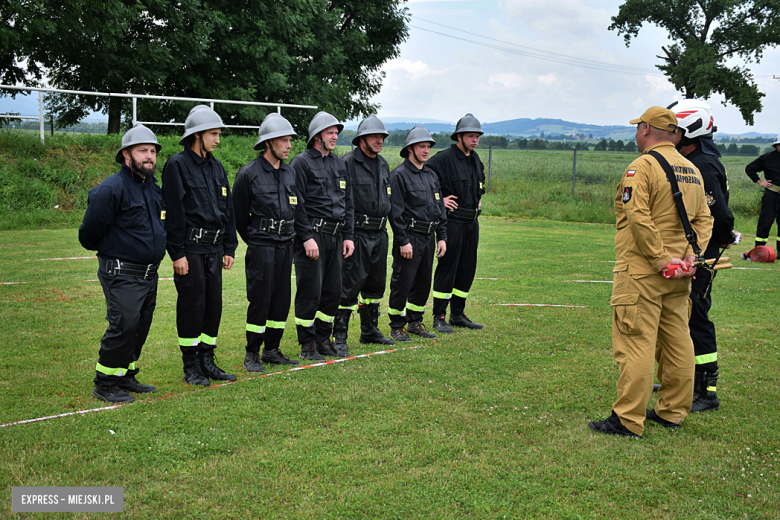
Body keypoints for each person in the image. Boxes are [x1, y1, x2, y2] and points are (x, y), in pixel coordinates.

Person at [588, 107, 713, 438]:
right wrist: (689, 257)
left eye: (637, 128)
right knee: (677, 341)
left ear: (645, 129)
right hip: (680, 275)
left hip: (643, 272)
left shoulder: (640, 167)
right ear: (672, 133)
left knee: (635, 343)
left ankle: (628, 418)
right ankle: (672, 411)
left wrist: (660, 260)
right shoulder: (692, 169)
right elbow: (704, 219)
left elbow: (638, 216)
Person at [79, 124, 166, 403]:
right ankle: (104, 383)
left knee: (140, 325)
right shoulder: (111, 189)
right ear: (126, 154)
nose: (149, 156)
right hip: (121, 272)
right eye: (143, 150)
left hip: (148, 274)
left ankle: (125, 374)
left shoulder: (153, 189)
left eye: (153, 151)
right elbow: (89, 233)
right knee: (124, 324)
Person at [669, 99, 738, 412]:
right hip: (692, 248)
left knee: (696, 315)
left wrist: (719, 242)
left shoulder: (703, 164)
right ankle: (682, 376)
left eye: (674, 129)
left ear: (689, 131)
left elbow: (717, 214)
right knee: (681, 314)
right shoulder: (692, 157)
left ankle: (706, 388)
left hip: (703, 252)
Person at [162, 105, 238, 386]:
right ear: (197, 135)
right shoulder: (177, 166)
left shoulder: (216, 166)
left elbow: (227, 208)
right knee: (192, 307)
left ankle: (208, 360)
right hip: (191, 251)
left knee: (213, 306)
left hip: (215, 251)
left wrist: (229, 247)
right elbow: (173, 213)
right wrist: (177, 253)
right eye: (214, 134)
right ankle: (191, 365)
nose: (218, 140)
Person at [233, 113, 303, 372]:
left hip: (287, 244)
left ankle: (272, 349)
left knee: (281, 299)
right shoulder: (248, 174)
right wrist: (257, 240)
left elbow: (298, 208)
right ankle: (252, 353)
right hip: (262, 246)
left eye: (289, 140)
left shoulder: (289, 172)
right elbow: (239, 217)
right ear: (268, 143)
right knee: (261, 299)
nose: (289, 145)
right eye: (284, 140)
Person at [290, 111, 355, 360]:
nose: (335, 136)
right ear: (317, 135)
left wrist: (348, 235)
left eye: (336, 132)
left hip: (336, 237)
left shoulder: (340, 164)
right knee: (310, 291)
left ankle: (322, 338)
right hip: (312, 237)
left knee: (332, 292)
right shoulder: (301, 163)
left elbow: (348, 202)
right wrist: (306, 237)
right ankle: (307, 345)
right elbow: (297, 204)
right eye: (330, 132)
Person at [333, 115, 395, 351]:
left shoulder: (382, 164)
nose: (380, 140)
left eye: (382, 136)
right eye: (374, 136)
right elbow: (341, 202)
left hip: (379, 233)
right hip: (356, 233)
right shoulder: (346, 163)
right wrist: (346, 235)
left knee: (375, 285)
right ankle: (339, 337)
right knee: (349, 285)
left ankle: (369, 331)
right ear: (361, 139)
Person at [427, 113, 486, 333]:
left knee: (466, 269)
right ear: (459, 137)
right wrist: (439, 200)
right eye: (470, 136)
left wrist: (479, 196)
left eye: (477, 136)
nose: (475, 140)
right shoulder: (443, 159)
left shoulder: (475, 159)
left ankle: (458, 315)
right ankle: (439, 317)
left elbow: (480, 182)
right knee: (448, 268)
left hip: (472, 223)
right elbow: (424, 177)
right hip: (452, 223)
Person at [387, 126, 447, 342]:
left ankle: (414, 322)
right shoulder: (399, 176)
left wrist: (442, 236)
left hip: (429, 238)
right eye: (422, 146)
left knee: (423, 283)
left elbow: (439, 208)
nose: (426, 150)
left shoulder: (431, 175)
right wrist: (403, 240)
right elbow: (395, 213)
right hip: (409, 238)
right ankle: (396, 326)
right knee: (403, 282)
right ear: (410, 149)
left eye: (428, 146)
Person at [744, 134, 780, 253]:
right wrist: (760, 182)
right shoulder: (767, 158)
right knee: (766, 221)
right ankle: (759, 251)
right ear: (776, 146)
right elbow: (750, 168)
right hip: (772, 194)